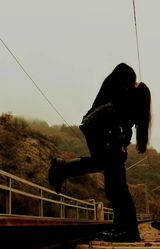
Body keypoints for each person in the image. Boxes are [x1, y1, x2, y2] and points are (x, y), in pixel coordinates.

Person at [48, 63, 152, 242]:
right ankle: (128, 231)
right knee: (117, 185)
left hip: (96, 128)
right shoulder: (124, 102)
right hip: (96, 128)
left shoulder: (125, 105)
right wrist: (119, 149)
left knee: (112, 180)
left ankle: (122, 229)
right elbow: (118, 129)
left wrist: (120, 148)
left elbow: (121, 132)